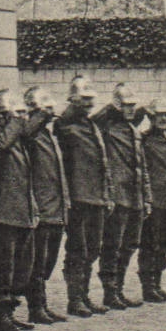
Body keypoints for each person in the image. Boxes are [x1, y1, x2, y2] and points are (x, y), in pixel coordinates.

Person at [0, 88, 48, 331]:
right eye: (16, 114)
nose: (22, 119)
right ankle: (0, 316)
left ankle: (10, 311)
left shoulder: (19, 140)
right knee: (3, 268)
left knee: (21, 268)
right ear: (4, 116)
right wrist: (14, 124)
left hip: (23, 212)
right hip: (4, 214)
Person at [93, 83, 150, 309]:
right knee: (113, 245)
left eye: (132, 105)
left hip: (135, 196)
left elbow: (141, 165)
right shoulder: (107, 128)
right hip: (118, 196)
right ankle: (109, 292)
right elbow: (96, 119)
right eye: (125, 105)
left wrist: (146, 197)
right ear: (117, 106)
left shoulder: (133, 130)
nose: (130, 109)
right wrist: (112, 106)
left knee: (130, 245)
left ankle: (119, 289)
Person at [55, 75, 108, 318]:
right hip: (77, 198)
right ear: (72, 100)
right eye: (83, 100)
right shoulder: (64, 126)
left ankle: (84, 295)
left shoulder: (92, 125)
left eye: (90, 100)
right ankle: (74, 299)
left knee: (93, 248)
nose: (88, 104)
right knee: (78, 248)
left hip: (96, 197)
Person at [24, 86, 73, 319]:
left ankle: (42, 305)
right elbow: (25, 133)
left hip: (56, 207)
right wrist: (38, 116)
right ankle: (36, 307)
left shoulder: (50, 136)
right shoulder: (31, 135)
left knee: (49, 261)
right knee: (37, 261)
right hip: (41, 208)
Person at [136, 96, 166, 303]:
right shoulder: (144, 140)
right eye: (159, 115)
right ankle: (148, 287)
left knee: (164, 244)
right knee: (150, 245)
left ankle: (157, 284)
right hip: (154, 203)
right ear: (151, 118)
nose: (163, 119)